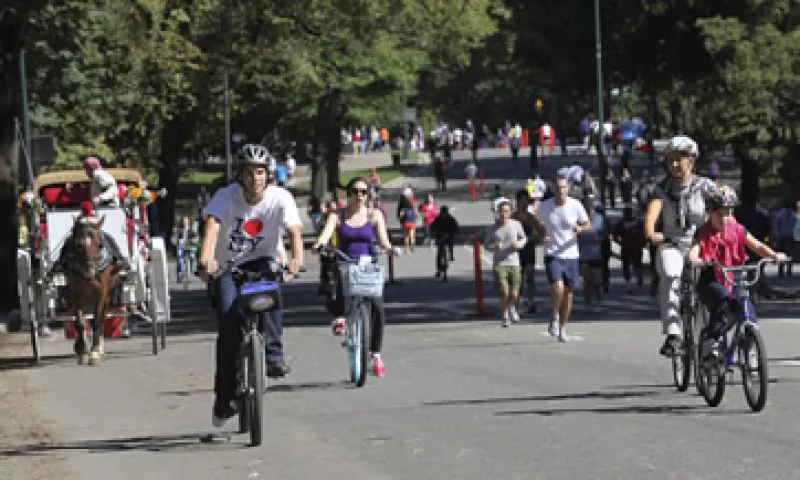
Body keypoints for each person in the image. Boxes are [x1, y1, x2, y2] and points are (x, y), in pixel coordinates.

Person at [197, 143, 303, 427]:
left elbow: (293, 230)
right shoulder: (226, 196)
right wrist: (206, 261)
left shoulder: (280, 198)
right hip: (229, 265)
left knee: (271, 291)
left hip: (263, 260)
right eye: (249, 173)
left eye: (260, 172)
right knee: (229, 323)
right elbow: (212, 227)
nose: (255, 178)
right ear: (240, 176)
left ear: (268, 175)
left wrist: (295, 261)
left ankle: (273, 355)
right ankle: (224, 398)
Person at [687, 185, 787, 357]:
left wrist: (774, 255)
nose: (724, 219)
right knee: (724, 304)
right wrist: (697, 260)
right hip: (712, 280)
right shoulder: (704, 233)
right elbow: (694, 252)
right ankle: (712, 339)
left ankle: (751, 343)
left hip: (735, 276)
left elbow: (757, 246)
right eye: (719, 214)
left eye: (728, 213)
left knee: (745, 304)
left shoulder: (738, 230)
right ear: (709, 212)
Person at [312, 177, 395, 376]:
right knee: (341, 278)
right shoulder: (338, 215)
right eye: (355, 192)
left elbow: (383, 239)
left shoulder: (374, 215)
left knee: (377, 307)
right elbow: (326, 233)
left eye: (363, 192)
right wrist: (319, 244)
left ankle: (375, 354)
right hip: (346, 261)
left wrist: (391, 248)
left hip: (368, 265)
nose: (359, 196)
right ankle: (340, 316)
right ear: (348, 195)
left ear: (368, 195)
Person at [644, 135, 715, 357]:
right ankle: (674, 335)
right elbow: (651, 215)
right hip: (672, 244)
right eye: (671, 159)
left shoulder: (705, 186)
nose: (674, 164)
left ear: (692, 161)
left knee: (717, 286)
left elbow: (723, 208)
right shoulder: (661, 189)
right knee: (671, 274)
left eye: (680, 159)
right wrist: (651, 233)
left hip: (702, 245)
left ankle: (715, 339)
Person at [536, 174, 591, 342]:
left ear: (568, 188)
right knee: (558, 287)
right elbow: (536, 222)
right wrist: (541, 235)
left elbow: (587, 223)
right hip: (553, 253)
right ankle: (553, 317)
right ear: (553, 189)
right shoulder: (545, 206)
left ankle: (563, 327)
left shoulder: (575, 205)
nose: (561, 191)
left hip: (571, 255)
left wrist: (580, 229)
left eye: (563, 187)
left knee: (568, 294)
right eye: (558, 188)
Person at [484, 200, 527, 327]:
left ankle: (511, 306)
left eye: (507, 211)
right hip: (500, 263)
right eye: (502, 211)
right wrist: (494, 246)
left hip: (514, 262)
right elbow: (486, 245)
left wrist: (518, 244)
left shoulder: (516, 224)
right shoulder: (492, 229)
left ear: (510, 212)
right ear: (498, 212)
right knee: (504, 291)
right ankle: (504, 314)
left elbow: (524, 238)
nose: (504, 214)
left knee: (514, 293)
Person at [512, 190, 543, 314]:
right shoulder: (513, 218)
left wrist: (537, 237)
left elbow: (540, 232)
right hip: (516, 251)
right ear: (517, 201)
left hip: (529, 249)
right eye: (522, 201)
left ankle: (531, 301)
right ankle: (516, 302)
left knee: (530, 277)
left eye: (526, 201)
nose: (524, 203)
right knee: (517, 278)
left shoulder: (531, 218)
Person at [613, 206, 645, 292]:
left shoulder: (620, 224)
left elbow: (615, 237)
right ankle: (639, 279)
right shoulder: (639, 223)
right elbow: (645, 234)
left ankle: (629, 283)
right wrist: (642, 244)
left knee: (626, 266)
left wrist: (621, 243)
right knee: (637, 264)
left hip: (626, 248)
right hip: (637, 248)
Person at [431, 205, 459, 280]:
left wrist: (450, 234)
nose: (443, 215)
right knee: (440, 252)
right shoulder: (438, 219)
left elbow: (456, 229)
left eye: (444, 214)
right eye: (442, 214)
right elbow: (432, 227)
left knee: (451, 244)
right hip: (440, 236)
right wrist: (433, 236)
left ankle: (451, 254)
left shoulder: (451, 219)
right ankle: (439, 270)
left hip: (449, 236)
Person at [172, 215, 199, 280]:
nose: (185, 222)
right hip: (181, 246)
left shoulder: (191, 230)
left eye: (186, 221)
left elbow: (196, 237)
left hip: (189, 246)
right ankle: (179, 274)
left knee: (192, 255)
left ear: (188, 222)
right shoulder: (179, 230)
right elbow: (175, 237)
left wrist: (194, 240)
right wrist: (175, 240)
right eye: (184, 221)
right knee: (180, 259)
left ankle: (191, 268)